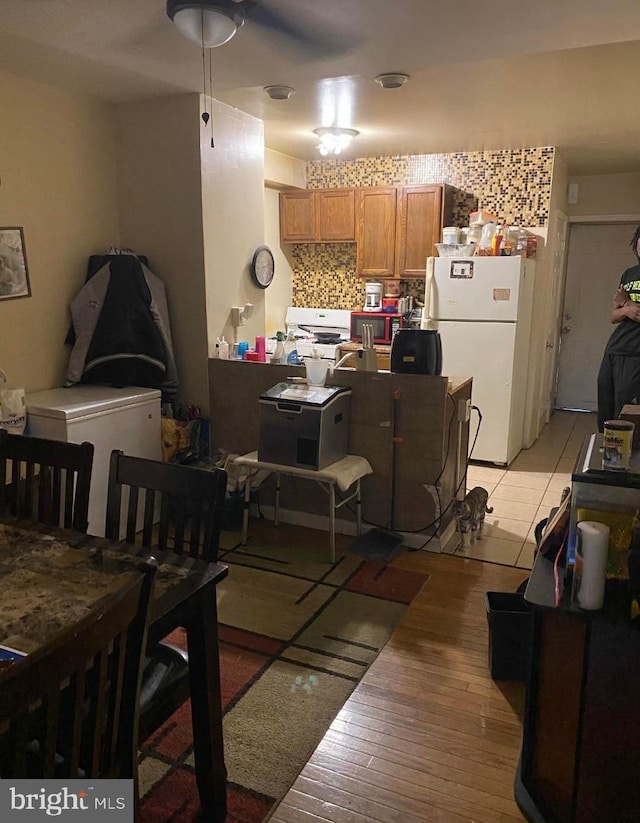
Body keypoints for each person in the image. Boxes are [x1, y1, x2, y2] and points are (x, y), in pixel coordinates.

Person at [597, 225, 640, 431]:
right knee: (606, 403)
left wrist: (628, 305)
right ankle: (607, 449)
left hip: (635, 354)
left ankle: (625, 456)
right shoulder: (629, 274)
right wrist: (626, 309)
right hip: (615, 348)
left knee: (627, 409)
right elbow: (613, 315)